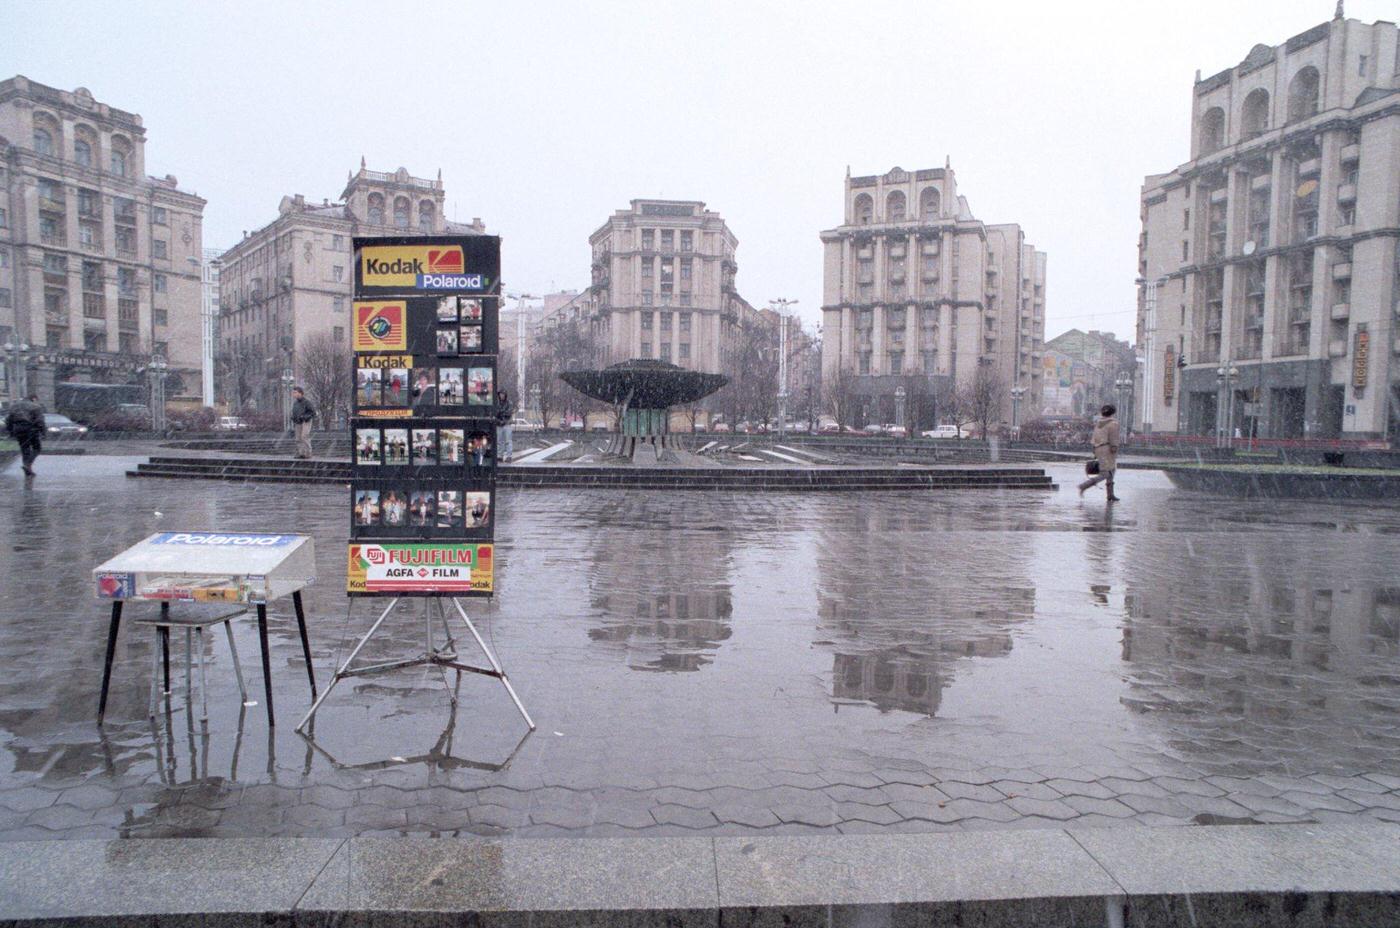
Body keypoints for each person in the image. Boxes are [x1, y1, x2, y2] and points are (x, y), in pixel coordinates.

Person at [1078, 404, 1122, 501]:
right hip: (1108, 448)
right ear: (1113, 412)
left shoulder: (1099, 423)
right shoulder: (1113, 423)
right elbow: (1113, 437)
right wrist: (1114, 447)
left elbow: (1095, 436)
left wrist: (1095, 448)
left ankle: (1110, 494)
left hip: (1098, 447)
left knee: (1111, 470)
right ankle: (1084, 486)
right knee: (1106, 473)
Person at [4, 393, 46, 476]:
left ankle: (28, 469)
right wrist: (43, 432)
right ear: (34, 399)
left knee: (24, 448)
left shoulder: (14, 406)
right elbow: (40, 420)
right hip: (31, 429)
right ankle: (27, 465)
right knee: (37, 448)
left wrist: (11, 432)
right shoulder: (35, 407)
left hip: (18, 429)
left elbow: (8, 420)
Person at [290, 386, 316, 460]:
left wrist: (304, 416)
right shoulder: (295, 403)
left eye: (295, 392)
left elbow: (312, 412)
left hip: (306, 421)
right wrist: (293, 417)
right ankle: (301, 453)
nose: (293, 394)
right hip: (298, 422)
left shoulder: (307, 402)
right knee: (298, 438)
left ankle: (308, 453)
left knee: (304, 436)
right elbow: (294, 412)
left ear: (300, 393)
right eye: (293, 393)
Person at [495, 389, 514, 463]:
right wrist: (500, 418)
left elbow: (509, 413)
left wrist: (501, 414)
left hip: (507, 424)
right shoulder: (497, 403)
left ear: (505, 395)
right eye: (500, 394)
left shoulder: (509, 403)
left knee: (508, 441)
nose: (501, 395)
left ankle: (509, 456)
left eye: (503, 394)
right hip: (499, 424)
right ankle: (500, 456)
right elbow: (495, 413)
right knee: (499, 441)